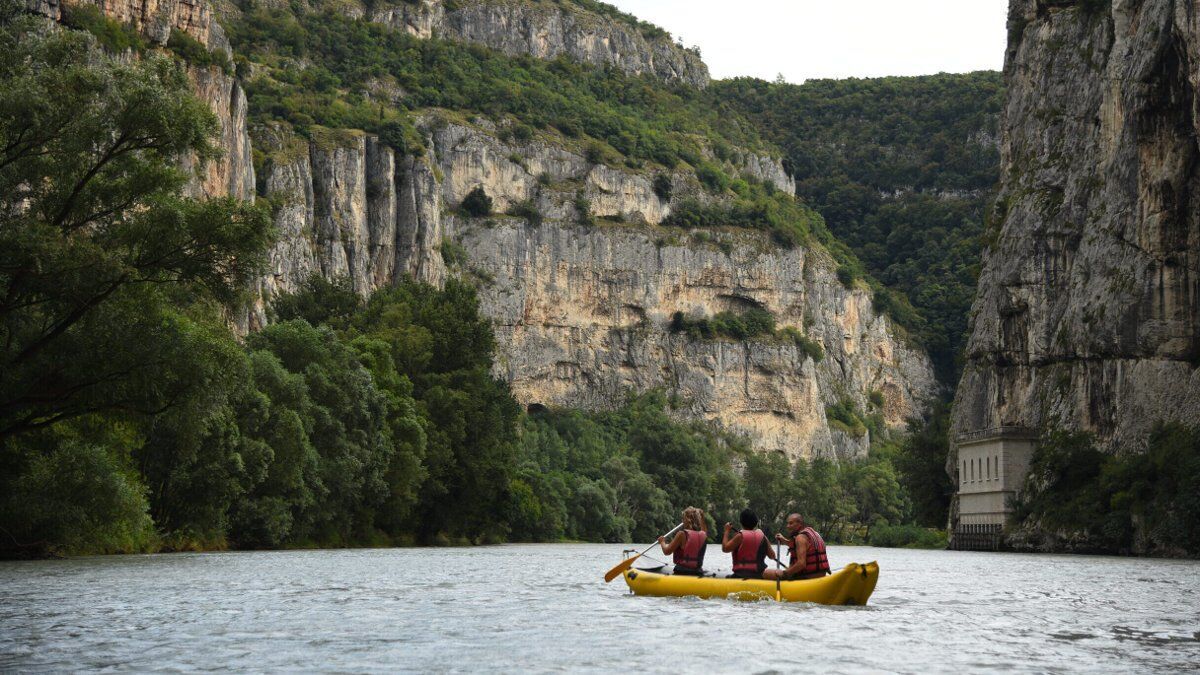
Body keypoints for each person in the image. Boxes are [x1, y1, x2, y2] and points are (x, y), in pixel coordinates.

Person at [764, 513, 831, 581]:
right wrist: (784, 541)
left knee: (765, 573)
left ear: (800, 524)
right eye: (788, 523)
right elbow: (802, 547)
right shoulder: (814, 534)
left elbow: (801, 564)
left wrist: (784, 573)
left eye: (791, 523)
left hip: (807, 577)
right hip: (821, 575)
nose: (787, 526)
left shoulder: (800, 538)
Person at [722, 508, 777, 578]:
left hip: (741, 575)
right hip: (759, 575)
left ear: (741, 522)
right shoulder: (763, 537)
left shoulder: (740, 536)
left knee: (727, 577)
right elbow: (772, 556)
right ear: (756, 522)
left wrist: (726, 531)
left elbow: (725, 548)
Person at [658, 507, 708, 576]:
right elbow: (703, 527)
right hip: (697, 572)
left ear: (688, 520)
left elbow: (667, 551)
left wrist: (662, 542)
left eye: (683, 518)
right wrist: (701, 517)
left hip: (682, 572)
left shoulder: (681, 534)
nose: (682, 520)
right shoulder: (703, 535)